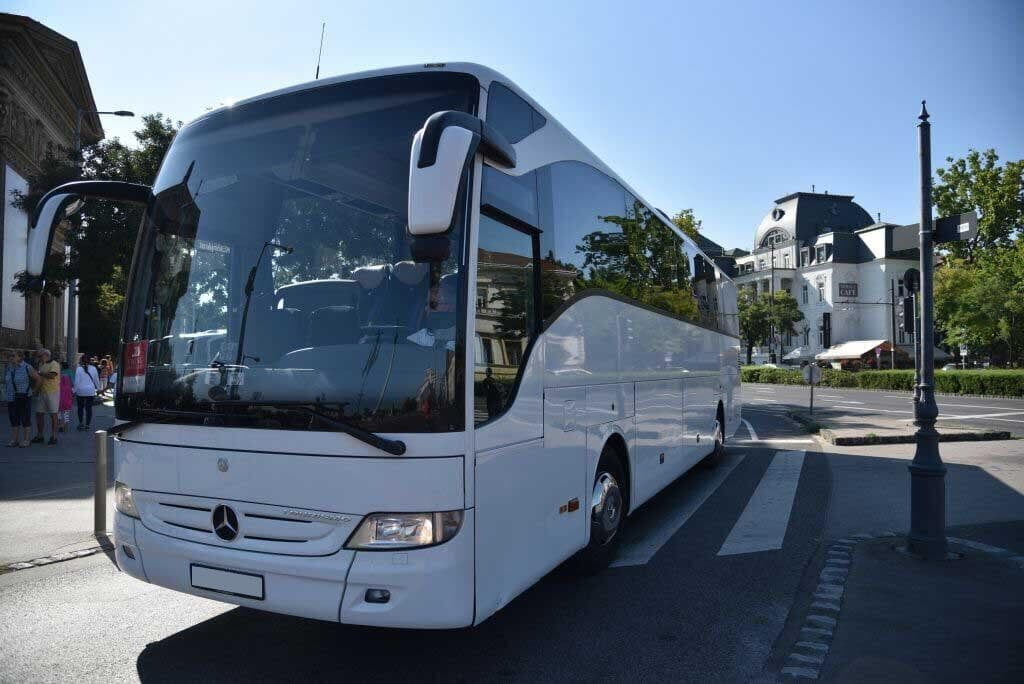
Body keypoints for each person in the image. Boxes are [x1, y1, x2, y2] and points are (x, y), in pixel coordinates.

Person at [5, 350, 38, 447]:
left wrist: (34, 391)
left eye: (13, 356)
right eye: (10, 356)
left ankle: (26, 440)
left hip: (23, 396)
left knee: (25, 418)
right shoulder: (9, 367)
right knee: (13, 418)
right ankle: (14, 440)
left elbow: (38, 379)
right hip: (11, 397)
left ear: (20, 357)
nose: (11, 358)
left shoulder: (27, 367)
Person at [31, 348, 61, 445]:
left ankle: (54, 436)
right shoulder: (41, 364)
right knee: (39, 413)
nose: (39, 358)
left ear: (46, 355)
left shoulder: (54, 364)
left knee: (53, 414)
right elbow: (39, 378)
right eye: (38, 356)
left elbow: (52, 375)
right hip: (42, 392)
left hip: (52, 392)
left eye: (40, 356)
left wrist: (39, 373)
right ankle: (40, 435)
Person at [73, 353, 101, 430]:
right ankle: (87, 425)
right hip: (90, 391)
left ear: (81, 360)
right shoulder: (94, 368)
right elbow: (96, 380)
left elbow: (77, 381)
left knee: (80, 408)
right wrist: (99, 389)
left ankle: (81, 423)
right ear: (90, 361)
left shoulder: (79, 369)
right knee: (89, 408)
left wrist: (73, 391)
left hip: (80, 391)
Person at [58, 365, 73, 432]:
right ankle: (65, 426)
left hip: (60, 403)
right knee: (66, 414)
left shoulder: (59, 387)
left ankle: (60, 424)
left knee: (59, 413)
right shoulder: (69, 388)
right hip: (67, 403)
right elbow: (71, 396)